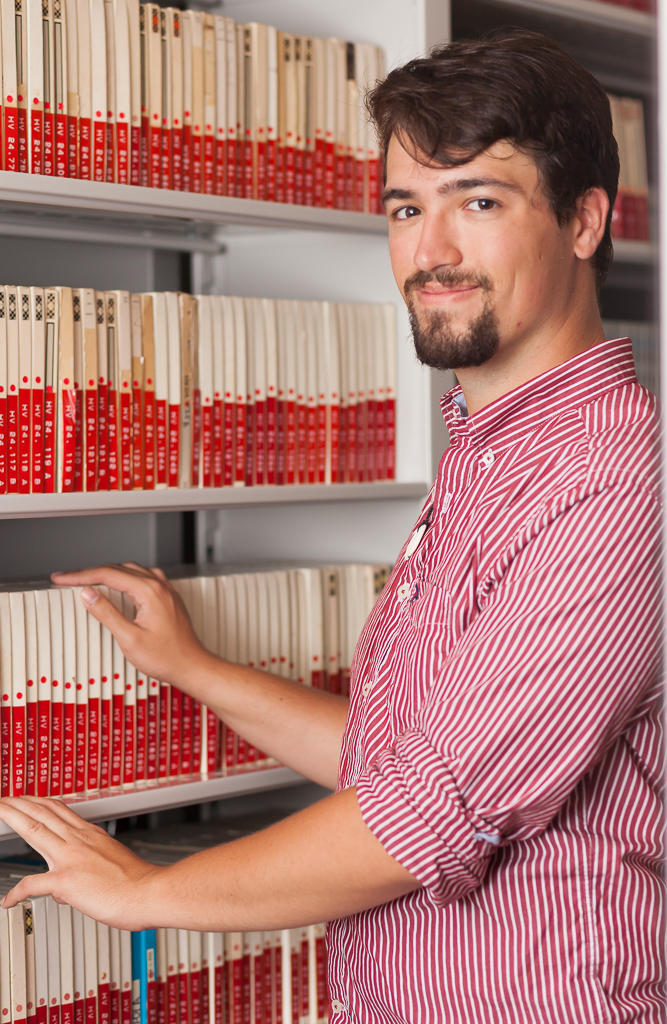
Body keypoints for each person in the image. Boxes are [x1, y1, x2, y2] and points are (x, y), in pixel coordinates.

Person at [0, 28, 663, 1024]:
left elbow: (428, 812)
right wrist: (193, 666)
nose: (429, 253)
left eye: (478, 202)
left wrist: (144, 894)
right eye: (407, 208)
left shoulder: (611, 482)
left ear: (582, 221)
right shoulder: (491, 458)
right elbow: (405, 755)